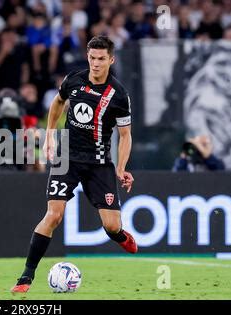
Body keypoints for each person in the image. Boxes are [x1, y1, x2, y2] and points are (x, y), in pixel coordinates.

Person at [11, 36, 137, 293]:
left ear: (111, 60)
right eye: (92, 58)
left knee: (112, 226)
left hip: (99, 163)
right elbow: (58, 102)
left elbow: (125, 136)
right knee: (53, 215)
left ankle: (120, 236)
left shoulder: (119, 95)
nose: (96, 64)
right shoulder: (73, 80)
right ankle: (26, 277)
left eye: (102, 59)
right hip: (66, 156)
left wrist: (121, 168)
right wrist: (48, 135)